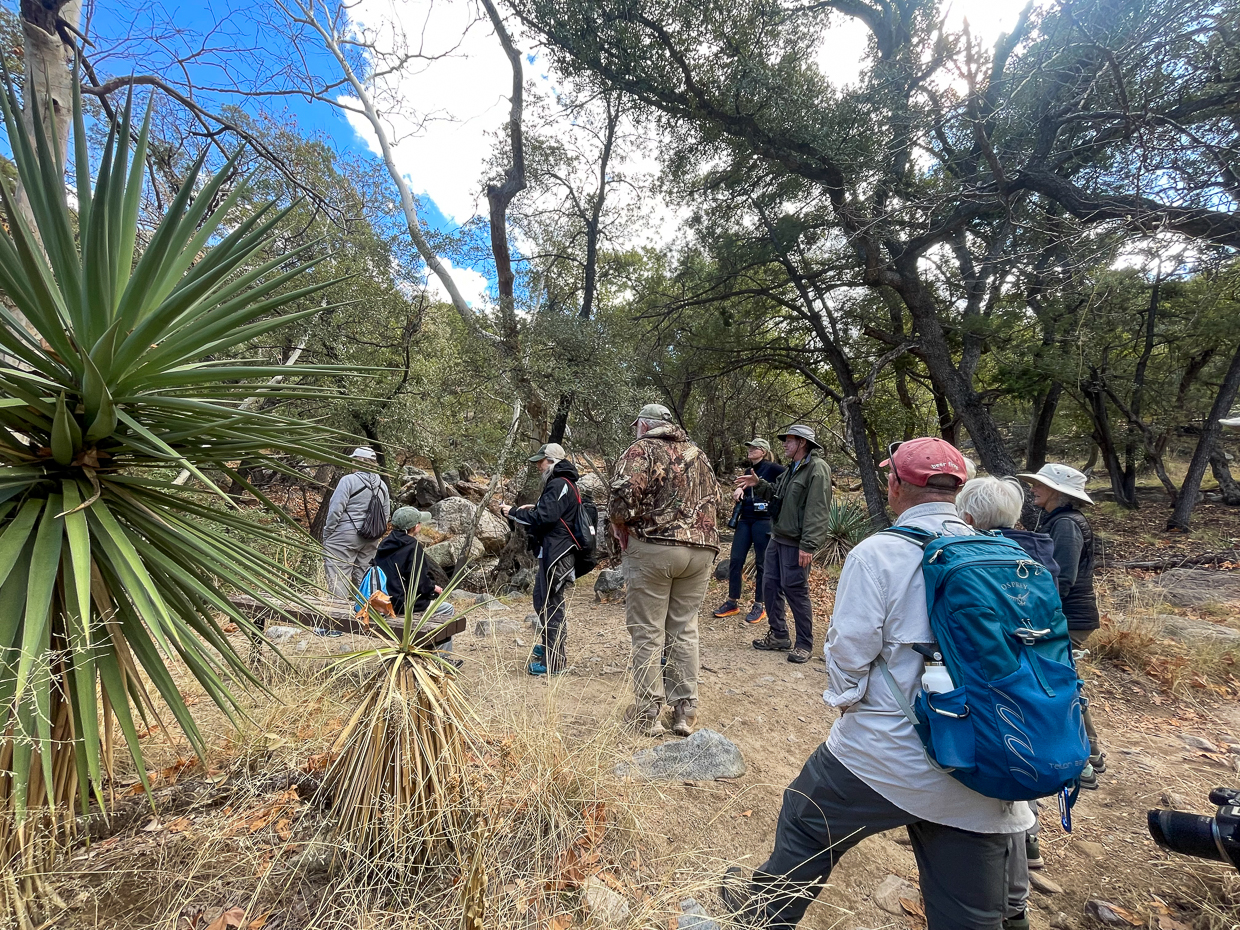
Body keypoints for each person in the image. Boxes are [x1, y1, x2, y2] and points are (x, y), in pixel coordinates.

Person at [721, 437, 1034, 930]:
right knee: (975, 913)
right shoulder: (1007, 557)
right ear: (959, 489)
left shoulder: (879, 554)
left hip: (890, 750)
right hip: (989, 755)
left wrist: (845, 700)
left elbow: (849, 648)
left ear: (895, 485)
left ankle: (764, 912)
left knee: (806, 819)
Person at [956, 477, 1063, 930]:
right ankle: (1023, 876)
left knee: (1001, 799)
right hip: (1044, 682)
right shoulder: (1037, 555)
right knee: (1020, 796)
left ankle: (1011, 905)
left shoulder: (974, 561)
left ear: (969, 520)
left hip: (997, 686)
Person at [609, 403, 720, 737]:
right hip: (701, 550)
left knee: (647, 630)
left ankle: (648, 712)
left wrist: (617, 524)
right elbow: (716, 499)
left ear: (644, 425)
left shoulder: (641, 449)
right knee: (684, 628)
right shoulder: (698, 454)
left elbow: (623, 497)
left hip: (656, 548)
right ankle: (685, 710)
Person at [1017, 463, 1105, 790]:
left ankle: (1080, 762)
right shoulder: (1059, 520)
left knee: (1059, 686)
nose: (1033, 489)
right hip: (1069, 618)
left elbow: (1061, 579)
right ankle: (1090, 754)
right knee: (1066, 683)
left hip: (1069, 619)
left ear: (1058, 492)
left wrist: (1040, 617)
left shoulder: (1066, 524)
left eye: (1040, 485)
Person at [735, 425, 831, 663]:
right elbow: (778, 496)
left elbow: (817, 510)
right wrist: (759, 484)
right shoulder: (792, 469)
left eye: (789, 441)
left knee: (795, 590)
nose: (785, 445)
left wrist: (808, 545)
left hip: (795, 542)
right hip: (777, 538)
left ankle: (804, 643)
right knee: (770, 585)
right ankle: (778, 635)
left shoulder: (817, 469)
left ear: (802, 443)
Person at [502, 442, 582, 677]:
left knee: (549, 603)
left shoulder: (558, 483)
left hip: (557, 552)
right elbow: (551, 513)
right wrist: (533, 507)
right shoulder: (564, 483)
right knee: (543, 600)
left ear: (552, 461)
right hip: (557, 550)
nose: (538, 465)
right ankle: (551, 648)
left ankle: (554, 660)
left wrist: (515, 512)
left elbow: (545, 517)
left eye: (541, 461)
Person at [370, 506, 459, 663]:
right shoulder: (412, 546)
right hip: (401, 604)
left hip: (382, 600)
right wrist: (433, 588)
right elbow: (419, 582)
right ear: (415, 526)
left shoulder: (385, 543)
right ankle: (442, 660)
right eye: (419, 522)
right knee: (446, 609)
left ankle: (426, 652)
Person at [714, 439, 786, 625]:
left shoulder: (774, 468)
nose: (750, 450)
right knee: (736, 559)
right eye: (749, 447)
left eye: (754, 448)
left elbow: (787, 483)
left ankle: (759, 605)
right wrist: (739, 488)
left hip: (763, 520)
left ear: (763, 451)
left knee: (762, 563)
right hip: (745, 519)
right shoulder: (748, 471)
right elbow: (746, 486)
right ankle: (732, 602)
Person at [322, 447, 391, 599]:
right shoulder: (382, 485)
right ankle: (365, 614)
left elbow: (335, 509)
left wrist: (328, 533)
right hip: (371, 539)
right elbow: (386, 514)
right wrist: (375, 534)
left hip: (344, 536)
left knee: (338, 577)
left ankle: (338, 616)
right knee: (364, 578)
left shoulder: (348, 481)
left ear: (358, 461)